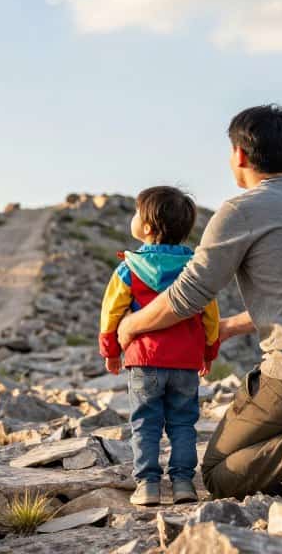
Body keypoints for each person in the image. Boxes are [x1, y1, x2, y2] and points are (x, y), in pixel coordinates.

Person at [117, 105, 282, 501]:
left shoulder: (240, 210)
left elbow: (188, 295)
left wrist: (131, 326)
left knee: (217, 474)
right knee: (256, 438)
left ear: (240, 155)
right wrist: (227, 327)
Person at [99, 186, 220, 506]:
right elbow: (210, 314)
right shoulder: (195, 268)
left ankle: (148, 485)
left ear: (148, 228)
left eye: (137, 213)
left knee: (145, 423)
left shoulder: (129, 268)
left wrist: (111, 351)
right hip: (185, 362)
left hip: (145, 361)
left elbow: (110, 313)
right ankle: (183, 484)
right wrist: (209, 351)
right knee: (183, 423)